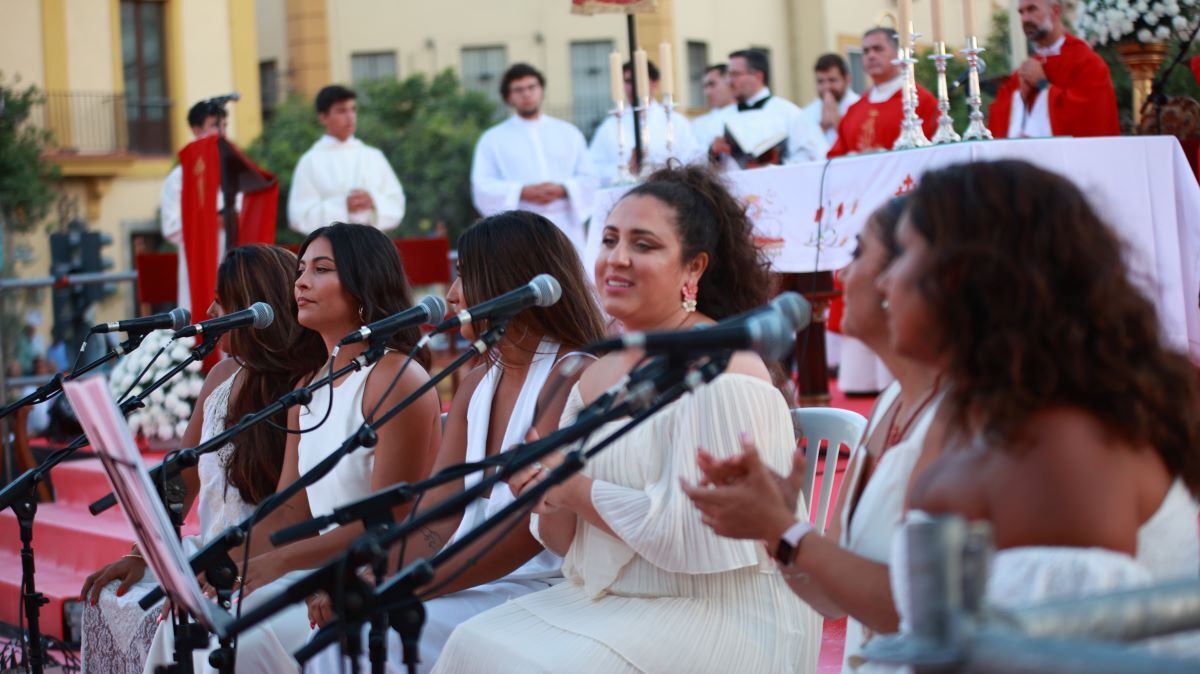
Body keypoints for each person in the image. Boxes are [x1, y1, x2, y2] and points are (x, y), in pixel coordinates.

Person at [435, 165, 822, 674]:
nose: (617, 258)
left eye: (643, 244)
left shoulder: (725, 367)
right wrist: (546, 496)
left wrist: (573, 488)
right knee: (470, 643)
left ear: (693, 269)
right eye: (609, 240)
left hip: (719, 610)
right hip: (610, 599)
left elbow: (698, 539)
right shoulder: (596, 372)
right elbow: (565, 544)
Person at [885, 161, 1200, 653]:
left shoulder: (1064, 449)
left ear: (961, 275)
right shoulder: (995, 411)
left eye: (904, 254)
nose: (885, 280)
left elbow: (1070, 658)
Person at [306, 210, 608, 673]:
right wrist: (370, 575)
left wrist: (400, 588)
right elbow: (438, 513)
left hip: (545, 586)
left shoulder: (570, 373)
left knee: (367, 635)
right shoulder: (476, 383)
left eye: (464, 276)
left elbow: (522, 535)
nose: (451, 295)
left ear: (510, 282)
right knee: (340, 635)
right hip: (471, 578)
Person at [683, 198, 945, 672]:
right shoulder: (892, 402)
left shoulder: (956, 420)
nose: (841, 275)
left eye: (858, 254)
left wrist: (781, 527)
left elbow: (913, 615)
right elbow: (831, 599)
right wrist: (779, 524)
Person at [79, 244, 325, 674]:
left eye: (221, 301)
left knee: (202, 630)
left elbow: (290, 515)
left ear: (253, 310)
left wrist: (216, 567)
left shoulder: (310, 383)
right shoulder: (221, 376)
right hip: (211, 553)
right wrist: (141, 555)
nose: (209, 311)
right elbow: (183, 480)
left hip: (274, 563)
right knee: (110, 598)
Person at [471, 64, 598, 260]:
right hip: (520, 228)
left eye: (532, 87)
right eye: (518, 90)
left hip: (566, 225)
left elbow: (590, 177)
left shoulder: (569, 133)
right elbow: (482, 185)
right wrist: (521, 191)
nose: (526, 94)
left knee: (570, 272)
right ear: (508, 97)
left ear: (541, 90)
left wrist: (564, 188)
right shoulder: (492, 139)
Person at [988, 0, 1120, 138]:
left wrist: (1043, 85)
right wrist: (1021, 97)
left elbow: (1091, 119)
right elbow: (997, 120)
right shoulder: (1023, 72)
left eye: (1032, 9)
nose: (1025, 19)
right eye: (1021, 12)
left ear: (1055, 11)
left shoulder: (1087, 63)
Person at [288, 86, 406, 235]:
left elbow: (396, 203)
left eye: (353, 109)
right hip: (331, 245)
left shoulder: (374, 156)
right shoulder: (309, 161)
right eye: (341, 111)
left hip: (371, 243)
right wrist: (343, 206)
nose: (350, 116)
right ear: (323, 117)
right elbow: (299, 217)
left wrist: (373, 201)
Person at [160, 99, 231, 312]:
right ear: (196, 129)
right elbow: (171, 227)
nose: (221, 132)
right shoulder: (180, 177)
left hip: (233, 258)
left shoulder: (234, 171)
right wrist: (212, 220)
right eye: (215, 125)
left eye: (224, 125)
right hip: (200, 261)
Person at [588, 60, 703, 187]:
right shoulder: (609, 127)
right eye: (628, 81)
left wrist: (662, 170)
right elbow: (592, 169)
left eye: (639, 80)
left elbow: (694, 161)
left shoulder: (676, 122)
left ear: (654, 83)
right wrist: (626, 169)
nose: (633, 87)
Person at [827, 28, 937, 157]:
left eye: (878, 49)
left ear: (898, 53)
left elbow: (937, 152)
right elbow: (835, 158)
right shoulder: (854, 109)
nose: (871, 56)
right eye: (865, 51)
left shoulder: (922, 102)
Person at [711, 49, 828, 166]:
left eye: (735, 74)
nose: (729, 81)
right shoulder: (720, 117)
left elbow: (815, 155)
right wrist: (713, 153)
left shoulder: (789, 112)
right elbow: (702, 164)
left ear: (758, 76)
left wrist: (778, 164)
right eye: (728, 75)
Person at [802, 53, 861, 147]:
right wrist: (822, 126)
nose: (826, 87)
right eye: (820, 81)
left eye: (832, 80)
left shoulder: (860, 106)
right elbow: (804, 147)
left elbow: (861, 145)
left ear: (847, 79)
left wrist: (839, 124)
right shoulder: (807, 112)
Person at [689, 64, 738, 148]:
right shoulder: (698, 124)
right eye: (705, 87)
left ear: (729, 82)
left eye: (712, 84)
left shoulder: (749, 115)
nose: (707, 92)